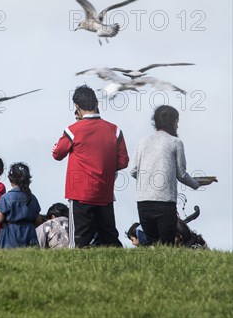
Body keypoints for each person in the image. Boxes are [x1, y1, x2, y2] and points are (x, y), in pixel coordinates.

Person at [52, 84, 129, 248]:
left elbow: (57, 154)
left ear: (77, 107)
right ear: (96, 104)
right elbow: (123, 161)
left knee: (80, 239)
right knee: (109, 237)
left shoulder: (73, 130)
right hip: (104, 193)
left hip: (80, 193)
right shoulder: (114, 130)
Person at [130, 105, 206, 245]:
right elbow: (181, 174)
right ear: (173, 122)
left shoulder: (143, 142)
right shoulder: (176, 142)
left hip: (143, 202)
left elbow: (134, 170)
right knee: (167, 245)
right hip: (165, 202)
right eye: (177, 122)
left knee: (152, 243)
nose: (178, 126)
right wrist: (197, 184)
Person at [0, 162, 41, 248]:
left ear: (10, 179)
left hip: (11, 234)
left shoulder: (6, 197)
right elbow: (38, 220)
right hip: (29, 233)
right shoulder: (32, 198)